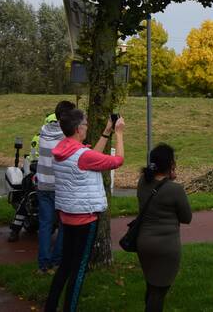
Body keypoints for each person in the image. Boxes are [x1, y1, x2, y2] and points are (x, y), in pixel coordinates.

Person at [44, 109, 125, 312]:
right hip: (85, 220)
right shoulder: (82, 155)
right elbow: (118, 161)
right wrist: (119, 134)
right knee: (78, 270)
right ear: (78, 129)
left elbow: (91, 157)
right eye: (86, 125)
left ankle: (50, 307)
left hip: (67, 217)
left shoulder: (62, 150)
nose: (87, 127)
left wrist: (106, 132)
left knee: (65, 266)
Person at [136, 144, 192, 312]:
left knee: (151, 286)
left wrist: (169, 177)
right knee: (158, 293)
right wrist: (171, 179)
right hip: (166, 247)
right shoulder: (175, 190)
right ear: (171, 164)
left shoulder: (143, 182)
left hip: (144, 243)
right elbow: (187, 218)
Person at [33, 100, 76, 271]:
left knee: (45, 225)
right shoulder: (66, 136)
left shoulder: (44, 130)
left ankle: (43, 263)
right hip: (60, 187)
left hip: (43, 185)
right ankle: (57, 261)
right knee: (64, 224)